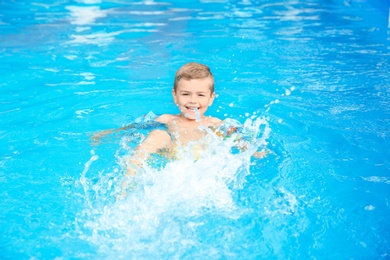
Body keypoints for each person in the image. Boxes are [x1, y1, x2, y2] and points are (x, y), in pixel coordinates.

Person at [92, 62, 267, 196]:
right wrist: (107, 134)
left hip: (201, 166)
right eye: (185, 94)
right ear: (175, 95)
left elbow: (244, 138)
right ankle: (124, 187)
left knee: (220, 133)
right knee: (158, 134)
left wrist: (256, 151)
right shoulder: (167, 119)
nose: (192, 101)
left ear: (211, 98)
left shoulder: (216, 123)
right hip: (173, 159)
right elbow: (133, 128)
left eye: (200, 95)